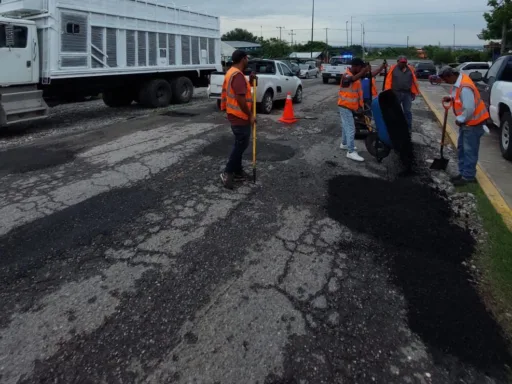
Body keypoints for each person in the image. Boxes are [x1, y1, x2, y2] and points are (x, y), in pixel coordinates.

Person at [438, 66, 489, 186]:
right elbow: (460, 99)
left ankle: (468, 177)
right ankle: (463, 172)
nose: (445, 82)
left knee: (469, 151)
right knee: (462, 149)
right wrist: (450, 98)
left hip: (472, 124)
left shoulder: (465, 86)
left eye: (445, 79)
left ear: (451, 75)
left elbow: (469, 108)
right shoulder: (459, 81)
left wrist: (460, 119)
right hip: (468, 124)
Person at [219, 50, 255, 189]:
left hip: (234, 114)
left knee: (240, 143)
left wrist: (251, 83)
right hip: (239, 115)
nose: (248, 61)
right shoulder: (237, 75)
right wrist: (250, 115)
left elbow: (242, 92)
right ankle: (227, 172)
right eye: (247, 58)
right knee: (241, 144)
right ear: (243, 59)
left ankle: (238, 171)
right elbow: (240, 99)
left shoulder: (232, 72)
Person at [338, 58, 368, 162]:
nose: (361, 70)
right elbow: (351, 79)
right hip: (345, 106)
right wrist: (363, 71)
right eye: (360, 67)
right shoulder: (346, 75)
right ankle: (350, 152)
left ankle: (344, 144)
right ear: (355, 66)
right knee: (351, 128)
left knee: (346, 126)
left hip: (349, 106)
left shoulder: (356, 75)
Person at [384, 55, 419, 131]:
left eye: (404, 62)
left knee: (407, 111)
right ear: (397, 62)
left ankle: (408, 128)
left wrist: (413, 92)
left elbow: (413, 81)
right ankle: (394, 128)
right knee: (394, 111)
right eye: (401, 62)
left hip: (407, 94)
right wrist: (388, 93)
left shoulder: (411, 69)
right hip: (395, 93)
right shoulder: (393, 69)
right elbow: (388, 81)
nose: (403, 64)